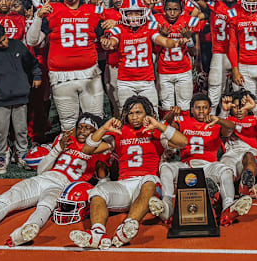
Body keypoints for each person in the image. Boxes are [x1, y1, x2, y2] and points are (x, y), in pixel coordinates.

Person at [0, 114, 110, 246]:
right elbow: (41, 170)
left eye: (88, 128)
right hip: (45, 177)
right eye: (80, 127)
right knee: (7, 199)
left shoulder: (100, 150)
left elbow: (103, 182)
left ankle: (24, 232)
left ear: (95, 132)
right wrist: (57, 149)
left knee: (46, 205)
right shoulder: (65, 140)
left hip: (64, 186)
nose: (82, 130)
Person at [72, 96, 188, 250]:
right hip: (124, 184)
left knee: (149, 180)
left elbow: (183, 142)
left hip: (148, 184)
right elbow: (87, 150)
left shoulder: (153, 132)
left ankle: (127, 226)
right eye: (131, 113)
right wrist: (104, 128)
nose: (134, 117)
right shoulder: (120, 132)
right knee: (97, 191)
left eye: (138, 112)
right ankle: (98, 233)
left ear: (147, 113)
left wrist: (158, 125)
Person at [152, 94, 253, 226]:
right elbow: (163, 127)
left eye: (205, 107)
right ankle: (167, 205)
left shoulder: (215, 122)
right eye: (198, 108)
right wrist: (171, 114)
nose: (201, 111)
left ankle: (228, 206)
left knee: (226, 170)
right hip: (186, 165)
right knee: (165, 167)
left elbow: (231, 127)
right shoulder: (184, 121)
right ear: (191, 110)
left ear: (210, 109)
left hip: (208, 165)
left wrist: (218, 119)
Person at [27, 0, 110, 131]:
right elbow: (32, 41)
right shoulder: (51, 10)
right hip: (61, 76)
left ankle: (93, 154)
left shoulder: (92, 10)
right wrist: (38, 17)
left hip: (89, 73)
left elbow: (113, 8)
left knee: (94, 119)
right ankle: (71, 154)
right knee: (68, 123)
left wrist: (112, 25)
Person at [0, 23, 42, 175]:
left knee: (21, 129)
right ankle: (0, 157)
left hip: (20, 95)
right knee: (0, 131)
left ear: (5, 34)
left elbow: (32, 62)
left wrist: (37, 75)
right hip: (0, 99)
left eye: (4, 39)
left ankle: (22, 154)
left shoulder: (17, 45)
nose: (3, 43)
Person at [101, 0, 188, 109]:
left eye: (137, 13)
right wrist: (107, 43)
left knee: (152, 112)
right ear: (123, 14)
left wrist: (175, 43)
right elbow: (112, 42)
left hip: (146, 80)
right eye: (130, 13)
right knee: (127, 113)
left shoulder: (149, 26)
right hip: (126, 81)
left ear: (143, 13)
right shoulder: (119, 29)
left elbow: (162, 40)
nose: (133, 17)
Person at [153, 0, 200, 114]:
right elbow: (155, 51)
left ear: (181, 10)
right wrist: (162, 36)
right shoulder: (158, 21)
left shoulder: (187, 22)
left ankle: (183, 130)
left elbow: (193, 52)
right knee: (166, 108)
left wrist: (188, 39)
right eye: (169, 9)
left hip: (183, 71)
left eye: (175, 10)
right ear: (164, 10)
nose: (172, 13)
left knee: (184, 107)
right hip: (164, 71)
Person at [219, 90, 257, 195]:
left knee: (249, 157)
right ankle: (221, 193)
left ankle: (245, 189)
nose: (239, 110)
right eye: (235, 107)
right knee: (226, 173)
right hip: (231, 154)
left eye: (242, 107)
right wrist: (224, 111)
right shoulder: (227, 119)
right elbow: (223, 132)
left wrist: (254, 107)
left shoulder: (254, 119)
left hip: (250, 151)